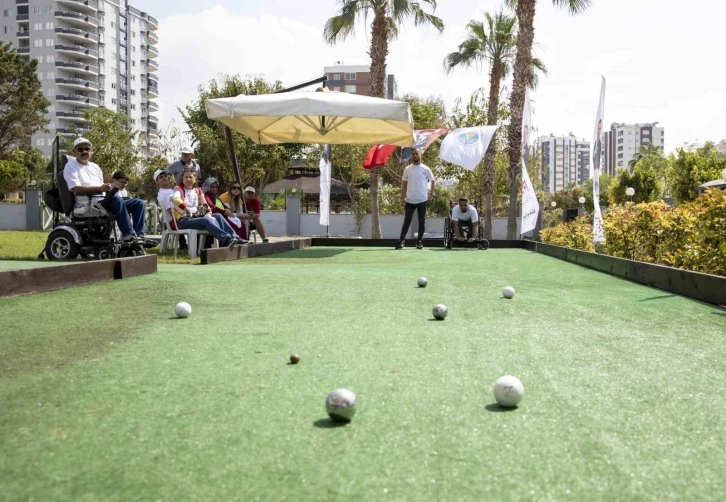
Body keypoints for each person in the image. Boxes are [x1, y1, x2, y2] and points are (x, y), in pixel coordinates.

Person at [63, 137, 146, 243]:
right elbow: (76, 189)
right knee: (117, 200)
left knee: (139, 203)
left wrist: (108, 188)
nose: (84, 151)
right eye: (80, 149)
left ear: (92, 151)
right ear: (74, 151)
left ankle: (140, 236)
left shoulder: (95, 167)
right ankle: (128, 235)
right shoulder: (70, 166)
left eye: (87, 149)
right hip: (87, 204)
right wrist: (99, 189)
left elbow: (102, 188)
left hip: (103, 201)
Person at [172, 170, 245, 248]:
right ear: (182, 179)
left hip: (196, 217)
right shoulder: (179, 188)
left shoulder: (198, 191)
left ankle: (236, 237)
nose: (188, 179)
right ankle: (227, 240)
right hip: (184, 220)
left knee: (218, 216)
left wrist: (208, 213)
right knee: (205, 220)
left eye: (191, 177)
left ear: (195, 179)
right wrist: (186, 210)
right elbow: (176, 199)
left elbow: (205, 205)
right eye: (186, 177)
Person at [395, 148, 435, 250]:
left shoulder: (425, 169)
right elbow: (404, 183)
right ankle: (401, 242)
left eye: (416, 154)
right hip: (409, 200)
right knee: (407, 222)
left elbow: (433, 181)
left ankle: (419, 242)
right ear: (411, 156)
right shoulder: (407, 169)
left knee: (422, 222)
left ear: (420, 155)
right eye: (413, 154)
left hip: (422, 200)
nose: (414, 156)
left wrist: (431, 194)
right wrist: (402, 197)